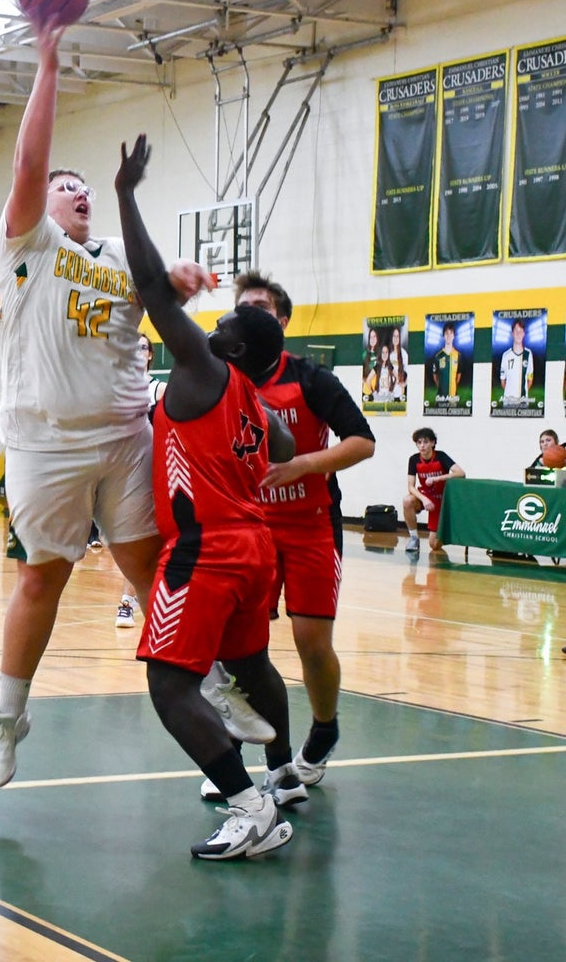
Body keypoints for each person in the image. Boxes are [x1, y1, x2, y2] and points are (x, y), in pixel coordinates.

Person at [0, 22, 213, 788]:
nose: (76, 189)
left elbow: (160, 277)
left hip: (123, 436)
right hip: (45, 440)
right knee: (42, 580)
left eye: (83, 187)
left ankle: (210, 694)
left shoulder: (113, 253)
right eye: (63, 186)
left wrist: (181, 274)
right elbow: (28, 161)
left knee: (151, 573)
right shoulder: (27, 246)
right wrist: (47, 65)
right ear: (39, 208)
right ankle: (7, 720)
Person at [116, 133, 299, 860]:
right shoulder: (255, 400)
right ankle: (283, 773)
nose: (207, 324)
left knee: (170, 687)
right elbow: (284, 453)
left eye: (218, 326)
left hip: (205, 552)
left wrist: (128, 195)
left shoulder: (204, 373)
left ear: (224, 349)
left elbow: (154, 289)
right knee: (251, 669)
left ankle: (249, 806)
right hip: (257, 549)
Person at [211, 269, 376, 790]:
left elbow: (363, 442)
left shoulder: (310, 378)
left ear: (281, 321)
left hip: (309, 525)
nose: (250, 315)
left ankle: (324, 730)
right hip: (246, 526)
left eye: (261, 307)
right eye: (243, 307)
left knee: (311, 642)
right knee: (241, 649)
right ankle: (237, 752)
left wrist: (302, 464)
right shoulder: (217, 378)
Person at [115, 332, 167, 629]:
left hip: (158, 470)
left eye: (143, 347)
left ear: (150, 355)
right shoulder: (113, 388)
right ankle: (126, 603)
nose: (137, 351)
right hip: (126, 473)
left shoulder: (158, 389)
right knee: (134, 545)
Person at [403, 427, 465, 553]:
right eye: (419, 443)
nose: (422, 446)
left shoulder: (441, 456)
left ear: (432, 443)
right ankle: (414, 538)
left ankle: (443, 528)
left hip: (441, 498)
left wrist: (437, 478)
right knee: (407, 501)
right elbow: (411, 487)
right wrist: (424, 499)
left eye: (425, 442)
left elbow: (461, 473)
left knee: (434, 545)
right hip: (425, 496)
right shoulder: (414, 459)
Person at [500, 318, 534, 405]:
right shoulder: (506, 355)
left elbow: (530, 380)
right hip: (508, 402)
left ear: (524, 334)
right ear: (512, 334)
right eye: (516, 331)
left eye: (520, 331)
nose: (518, 334)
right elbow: (503, 381)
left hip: (523, 402)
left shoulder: (528, 354)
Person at [432, 322, 461, 401]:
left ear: (454, 336)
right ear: (443, 336)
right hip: (441, 397)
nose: (448, 336)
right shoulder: (438, 356)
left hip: (453, 397)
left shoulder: (458, 355)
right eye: (446, 333)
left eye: (451, 333)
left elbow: (458, 376)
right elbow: (435, 376)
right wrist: (441, 387)